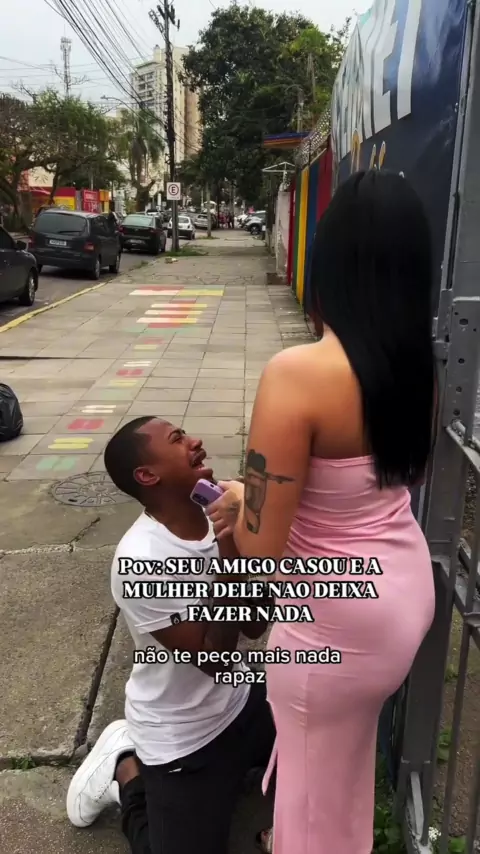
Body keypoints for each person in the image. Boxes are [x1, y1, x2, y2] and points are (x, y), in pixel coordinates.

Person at [207, 170, 436, 854]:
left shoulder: (298, 375)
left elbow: (260, 550)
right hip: (402, 592)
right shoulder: (417, 369)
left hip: (333, 623)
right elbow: (382, 483)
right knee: (339, 776)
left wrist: (242, 501)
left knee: (310, 802)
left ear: (329, 262)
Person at [66, 416, 275, 854]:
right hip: (181, 735)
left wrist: (248, 538)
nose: (195, 440)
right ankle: (125, 770)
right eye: (178, 439)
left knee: (320, 741)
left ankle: (231, 773)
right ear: (148, 475)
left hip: (239, 702)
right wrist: (231, 548)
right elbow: (215, 659)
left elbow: (255, 627)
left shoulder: (220, 507)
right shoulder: (140, 560)